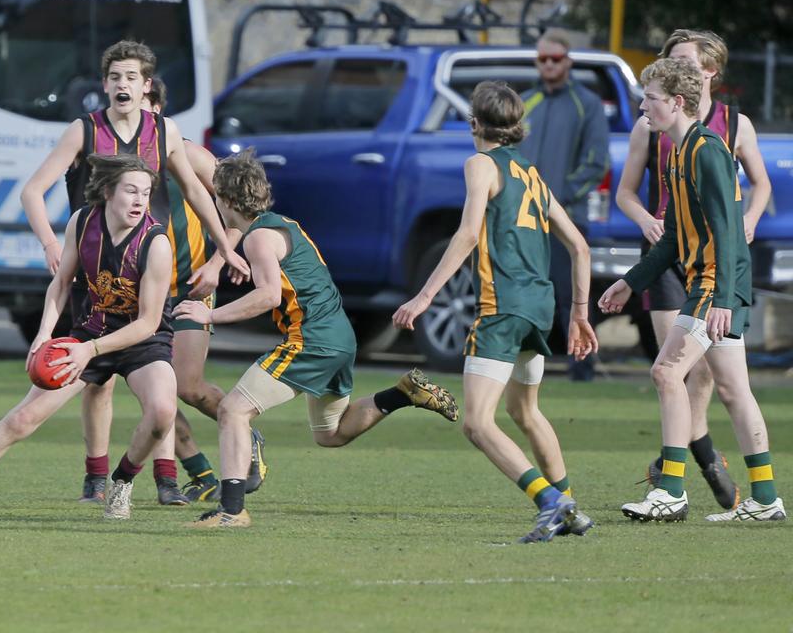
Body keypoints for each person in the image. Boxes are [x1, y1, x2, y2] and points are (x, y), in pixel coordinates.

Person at [174, 149, 459, 528]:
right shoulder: (282, 224)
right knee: (332, 434)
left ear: (224, 201)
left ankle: (232, 509)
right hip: (340, 337)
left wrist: (208, 314)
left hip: (313, 340)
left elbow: (268, 297)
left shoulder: (258, 239)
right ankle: (403, 393)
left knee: (232, 411)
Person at [19, 41, 252, 505]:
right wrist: (50, 243)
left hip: (152, 268)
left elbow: (204, 194)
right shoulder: (84, 131)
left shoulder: (168, 135)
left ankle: (170, 477)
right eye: (116, 77)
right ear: (105, 84)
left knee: (162, 377)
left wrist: (223, 251)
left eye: (132, 78)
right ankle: (97, 477)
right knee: (98, 378)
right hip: (94, 267)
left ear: (147, 88)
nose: (123, 86)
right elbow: (32, 192)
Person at [0, 155, 180, 521]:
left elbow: (148, 323)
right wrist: (43, 335)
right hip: (90, 332)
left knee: (163, 412)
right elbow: (61, 283)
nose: (139, 201)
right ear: (107, 191)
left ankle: (122, 481)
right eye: (131, 191)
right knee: (23, 419)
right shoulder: (83, 222)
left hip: (141, 342)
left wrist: (90, 350)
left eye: (146, 194)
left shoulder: (156, 243)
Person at [394, 81, 597, 543]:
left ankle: (550, 502)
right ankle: (571, 508)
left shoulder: (480, 163)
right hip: (539, 305)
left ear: (474, 124)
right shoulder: (531, 172)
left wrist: (424, 297)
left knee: (477, 422)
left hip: (501, 306)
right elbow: (580, 247)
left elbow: (467, 234)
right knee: (525, 411)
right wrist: (579, 312)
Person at [600, 57, 785, 523]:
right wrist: (630, 281)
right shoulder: (677, 151)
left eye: (652, 99)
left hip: (715, 281)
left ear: (677, 103)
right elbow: (674, 239)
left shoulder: (707, 150)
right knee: (734, 389)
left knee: (666, 373)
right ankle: (765, 501)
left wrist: (722, 297)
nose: (644, 106)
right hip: (709, 280)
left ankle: (672, 492)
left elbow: (727, 230)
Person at [148, 77, 265, 503]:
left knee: (187, 386)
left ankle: (244, 433)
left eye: (145, 105)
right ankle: (199, 471)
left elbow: (244, 211)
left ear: (158, 109)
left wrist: (217, 263)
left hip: (190, 285)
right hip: (142, 288)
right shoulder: (117, 156)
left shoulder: (192, 156)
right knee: (149, 383)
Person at [519, 29, 609, 381]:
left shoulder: (585, 104)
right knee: (525, 292)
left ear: (568, 61)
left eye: (555, 59)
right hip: (524, 219)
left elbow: (596, 162)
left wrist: (558, 197)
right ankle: (523, 365)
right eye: (542, 59)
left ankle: (582, 367)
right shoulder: (525, 101)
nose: (548, 65)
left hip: (566, 217)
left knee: (571, 296)